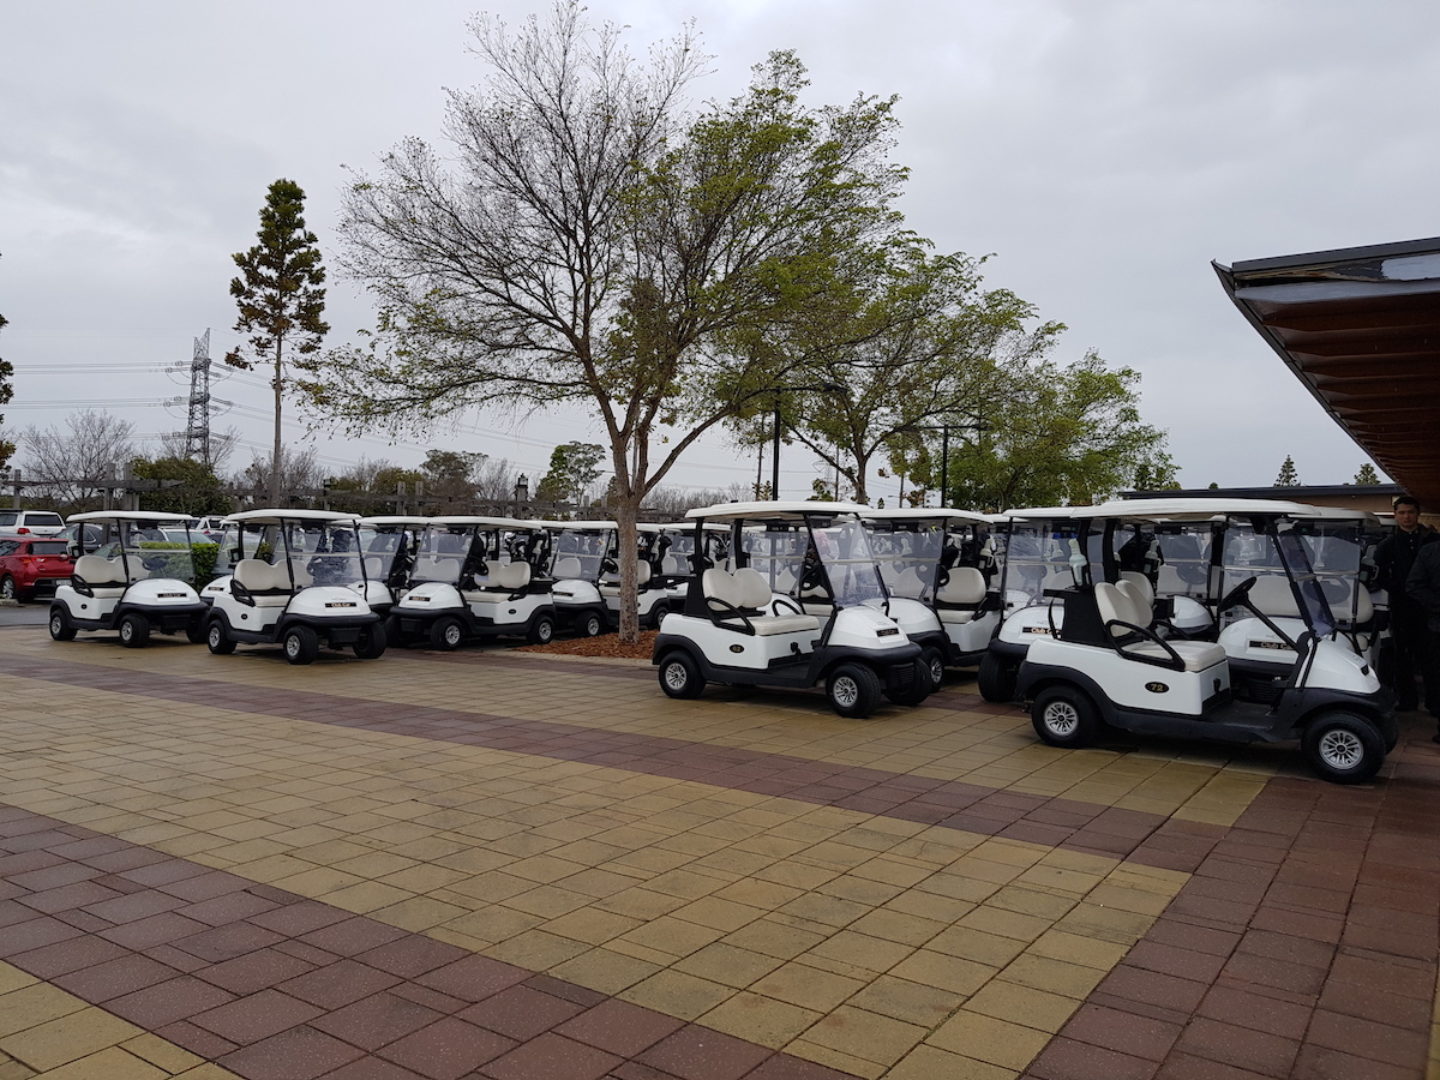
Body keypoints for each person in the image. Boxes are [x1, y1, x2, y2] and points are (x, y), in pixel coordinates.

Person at [1377, 496, 1437, 717]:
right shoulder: (1388, 545)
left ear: (1417, 514)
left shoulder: (1432, 541)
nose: (1406, 517)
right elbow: (1379, 575)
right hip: (1402, 607)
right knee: (1402, 655)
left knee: (1430, 657)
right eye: (1402, 513)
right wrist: (1398, 588)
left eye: (1410, 512)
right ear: (1395, 515)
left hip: (1430, 609)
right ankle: (1407, 699)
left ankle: (1434, 702)